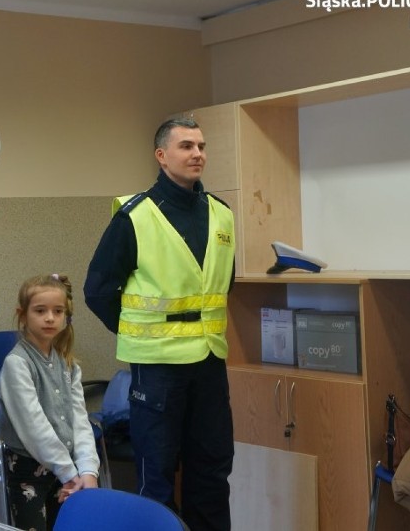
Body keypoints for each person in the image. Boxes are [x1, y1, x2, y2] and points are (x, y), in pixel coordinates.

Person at [83, 118, 235, 531]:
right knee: (158, 477)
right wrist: (140, 332)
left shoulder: (221, 214)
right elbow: (97, 290)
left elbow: (221, 287)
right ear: (161, 156)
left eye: (202, 145)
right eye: (186, 146)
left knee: (213, 471)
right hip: (158, 369)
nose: (197, 153)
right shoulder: (134, 215)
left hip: (208, 361)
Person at [0, 274, 100, 531]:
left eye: (58, 311)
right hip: (28, 468)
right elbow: (34, 428)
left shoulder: (69, 365)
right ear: (22, 315)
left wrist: (87, 471)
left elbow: (80, 420)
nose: (50, 318)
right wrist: (70, 473)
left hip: (65, 469)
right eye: (40, 311)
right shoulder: (17, 364)